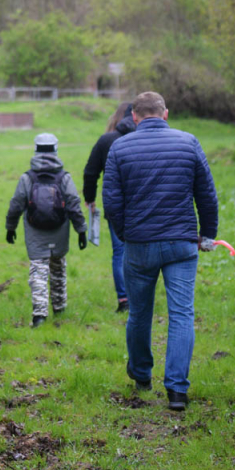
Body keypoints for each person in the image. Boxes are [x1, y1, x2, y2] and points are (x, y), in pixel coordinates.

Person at [103, 91, 219, 411]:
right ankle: (177, 391)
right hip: (182, 243)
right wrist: (207, 236)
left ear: (135, 117)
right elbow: (207, 194)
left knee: (140, 314)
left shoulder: (119, 147)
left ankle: (141, 375)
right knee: (181, 315)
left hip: (139, 245)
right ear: (166, 114)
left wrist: (127, 234)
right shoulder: (189, 142)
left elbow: (111, 202)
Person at [5, 133, 88, 328]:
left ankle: (39, 315)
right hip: (59, 230)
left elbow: (16, 204)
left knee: (38, 270)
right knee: (58, 266)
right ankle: (59, 307)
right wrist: (81, 230)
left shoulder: (27, 178)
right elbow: (74, 204)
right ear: (56, 149)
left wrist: (11, 226)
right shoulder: (64, 177)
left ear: (35, 150)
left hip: (35, 231)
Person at [83, 101, 137, 313]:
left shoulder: (107, 140)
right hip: (143, 204)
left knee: (120, 252)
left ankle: (124, 300)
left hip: (116, 206)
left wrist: (90, 198)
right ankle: (140, 297)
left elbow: (90, 172)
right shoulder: (144, 138)